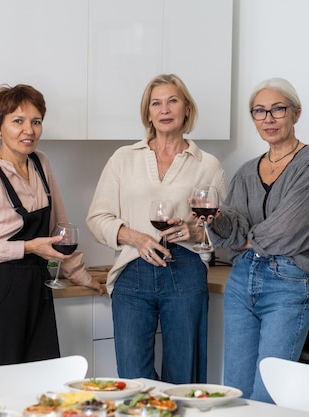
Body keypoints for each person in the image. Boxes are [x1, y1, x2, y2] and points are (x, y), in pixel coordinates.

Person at [86, 73, 228, 383]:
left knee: (183, 376)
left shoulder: (208, 165)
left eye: (172, 101)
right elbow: (97, 218)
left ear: (186, 109)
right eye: (156, 103)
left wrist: (194, 233)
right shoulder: (123, 158)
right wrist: (135, 238)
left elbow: (220, 231)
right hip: (132, 271)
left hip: (186, 270)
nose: (164, 109)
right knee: (133, 377)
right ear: (148, 113)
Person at [0, 84, 104, 367]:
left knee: (42, 387)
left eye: (36, 122)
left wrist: (83, 277)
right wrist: (28, 247)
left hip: (37, 291)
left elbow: (59, 230)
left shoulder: (40, 163)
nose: (29, 130)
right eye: (18, 121)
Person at [207, 77, 309, 402]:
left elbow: (289, 228)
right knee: (233, 395)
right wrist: (214, 220)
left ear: (296, 113)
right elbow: (229, 231)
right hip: (240, 283)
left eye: (277, 109)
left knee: (267, 397)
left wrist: (242, 238)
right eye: (259, 111)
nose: (268, 118)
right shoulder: (247, 171)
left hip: (288, 283)